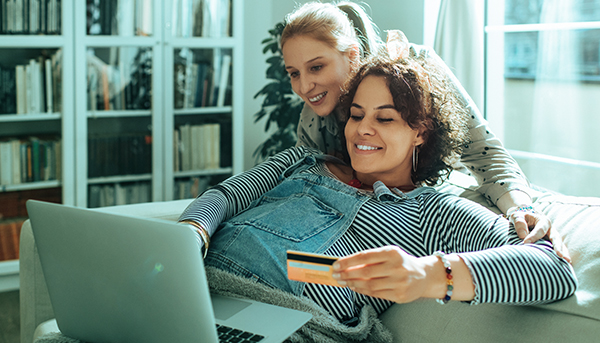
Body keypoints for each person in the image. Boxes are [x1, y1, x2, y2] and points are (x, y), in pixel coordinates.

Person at [179, 54, 577, 324]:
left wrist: (428, 275)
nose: (362, 130)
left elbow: (554, 269)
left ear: (420, 132)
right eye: (356, 115)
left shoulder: (432, 211)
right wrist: (192, 234)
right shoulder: (302, 160)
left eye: (385, 119)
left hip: (280, 323)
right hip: (191, 295)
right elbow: (225, 196)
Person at [278, 1, 567, 258]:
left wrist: (521, 208)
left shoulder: (415, 70)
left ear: (352, 56)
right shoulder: (313, 118)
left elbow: (485, 154)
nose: (303, 87)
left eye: (316, 67)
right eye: (294, 73)